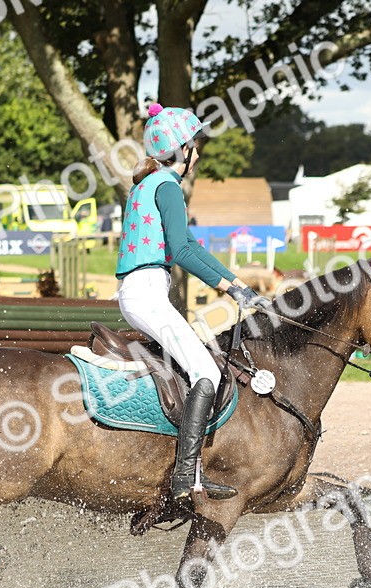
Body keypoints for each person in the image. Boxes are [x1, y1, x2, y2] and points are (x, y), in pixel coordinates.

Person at [116, 102, 270, 505]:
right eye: (194, 146)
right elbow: (181, 251)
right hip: (146, 292)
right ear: (179, 150)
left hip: (143, 291)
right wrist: (229, 288)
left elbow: (192, 247)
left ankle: (191, 472)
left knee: (197, 365)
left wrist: (237, 284)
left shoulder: (147, 183)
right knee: (205, 369)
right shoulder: (167, 185)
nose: (197, 154)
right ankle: (186, 476)